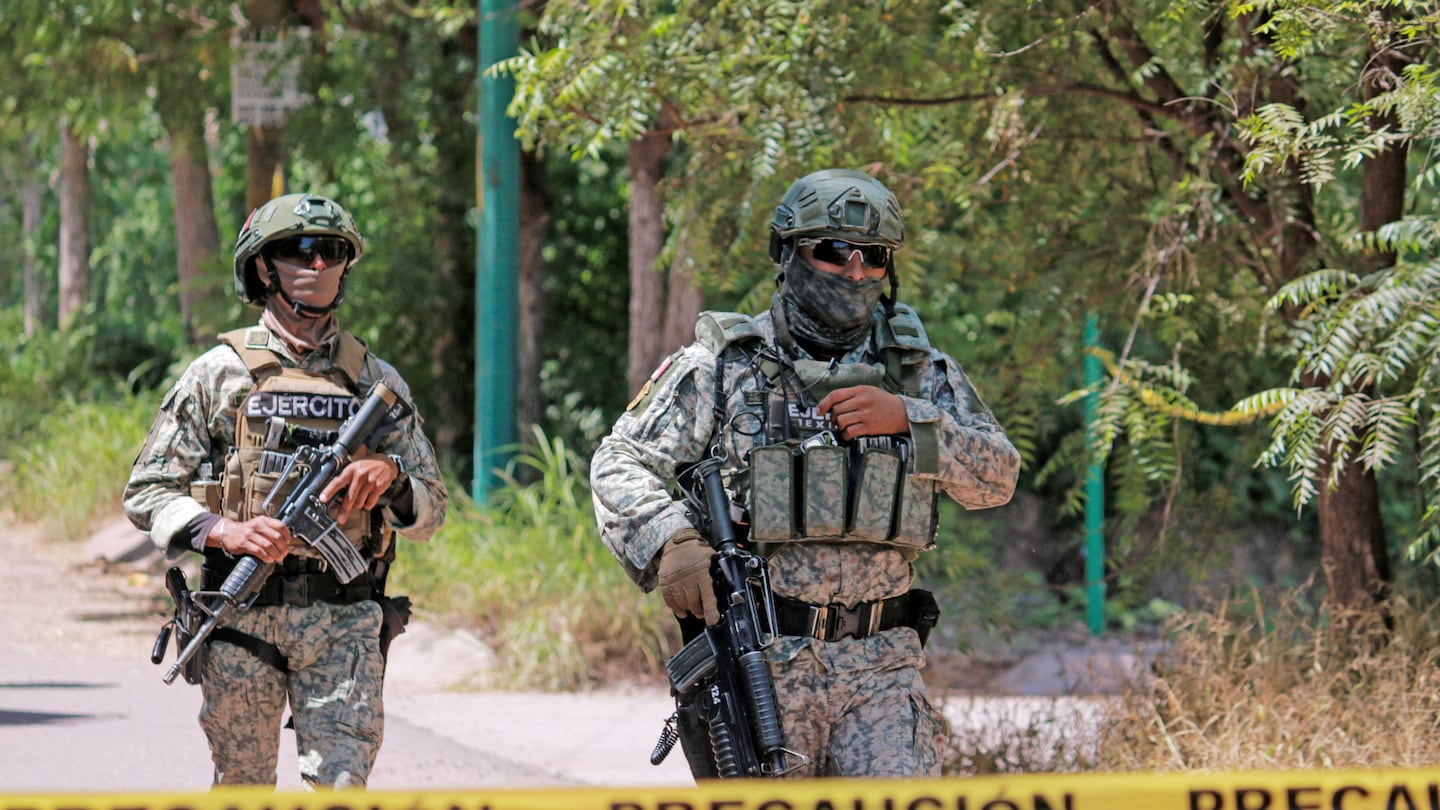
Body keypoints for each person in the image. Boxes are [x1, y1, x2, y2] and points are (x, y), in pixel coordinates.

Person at [590, 168, 1021, 778]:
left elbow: (998, 476)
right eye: (833, 251)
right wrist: (670, 542)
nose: (854, 271)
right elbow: (620, 459)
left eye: (874, 257)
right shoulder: (726, 366)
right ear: (789, 254)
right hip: (766, 666)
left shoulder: (919, 374)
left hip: (883, 672)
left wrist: (911, 420)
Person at [123, 192, 448, 788]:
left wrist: (393, 479)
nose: (317, 264)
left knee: (343, 788)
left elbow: (431, 513)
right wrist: (226, 531)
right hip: (240, 620)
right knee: (243, 785)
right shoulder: (218, 374)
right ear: (264, 267)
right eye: (299, 250)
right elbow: (147, 490)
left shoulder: (375, 382)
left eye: (330, 251)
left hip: (344, 619)